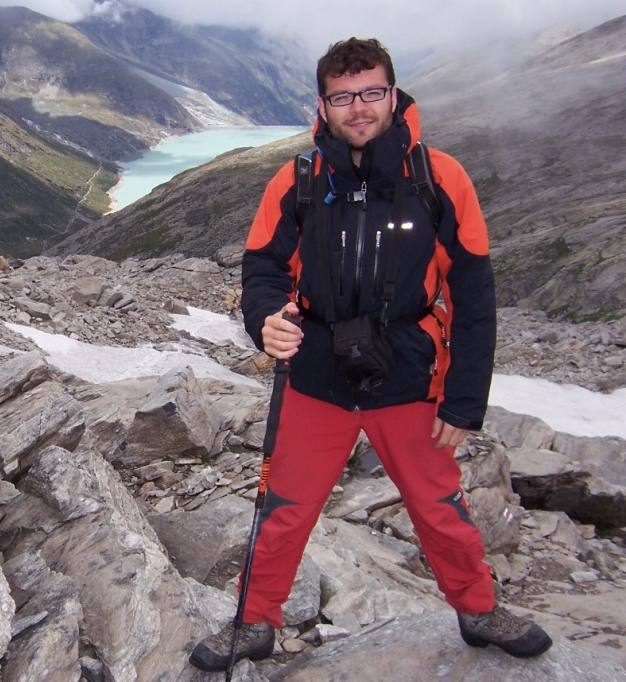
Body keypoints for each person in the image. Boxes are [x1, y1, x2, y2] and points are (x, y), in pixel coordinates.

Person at [189, 37, 552, 672]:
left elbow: (474, 297)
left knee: (439, 505)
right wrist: (265, 319)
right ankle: (254, 621)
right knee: (284, 509)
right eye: (343, 96)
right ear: (323, 105)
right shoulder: (296, 181)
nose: (358, 108)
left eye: (370, 93)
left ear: (393, 94)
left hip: (410, 370)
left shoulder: (441, 179)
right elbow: (262, 269)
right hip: (316, 370)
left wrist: (464, 402)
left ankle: (478, 610)